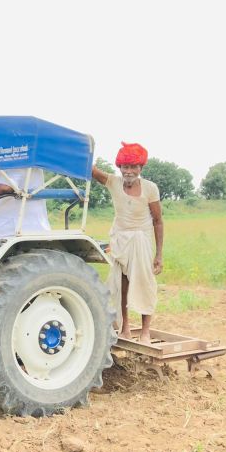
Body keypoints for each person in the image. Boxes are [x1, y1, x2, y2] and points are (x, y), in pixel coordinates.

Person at [91, 142, 164, 344]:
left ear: (140, 168)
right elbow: (92, 171)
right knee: (121, 285)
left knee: (144, 284)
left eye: (133, 167)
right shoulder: (113, 182)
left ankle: (145, 332)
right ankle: (125, 329)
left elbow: (158, 221)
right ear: (120, 167)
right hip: (120, 239)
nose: (128, 171)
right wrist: (83, 148)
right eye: (125, 167)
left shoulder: (150, 188)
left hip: (141, 240)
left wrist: (159, 254)